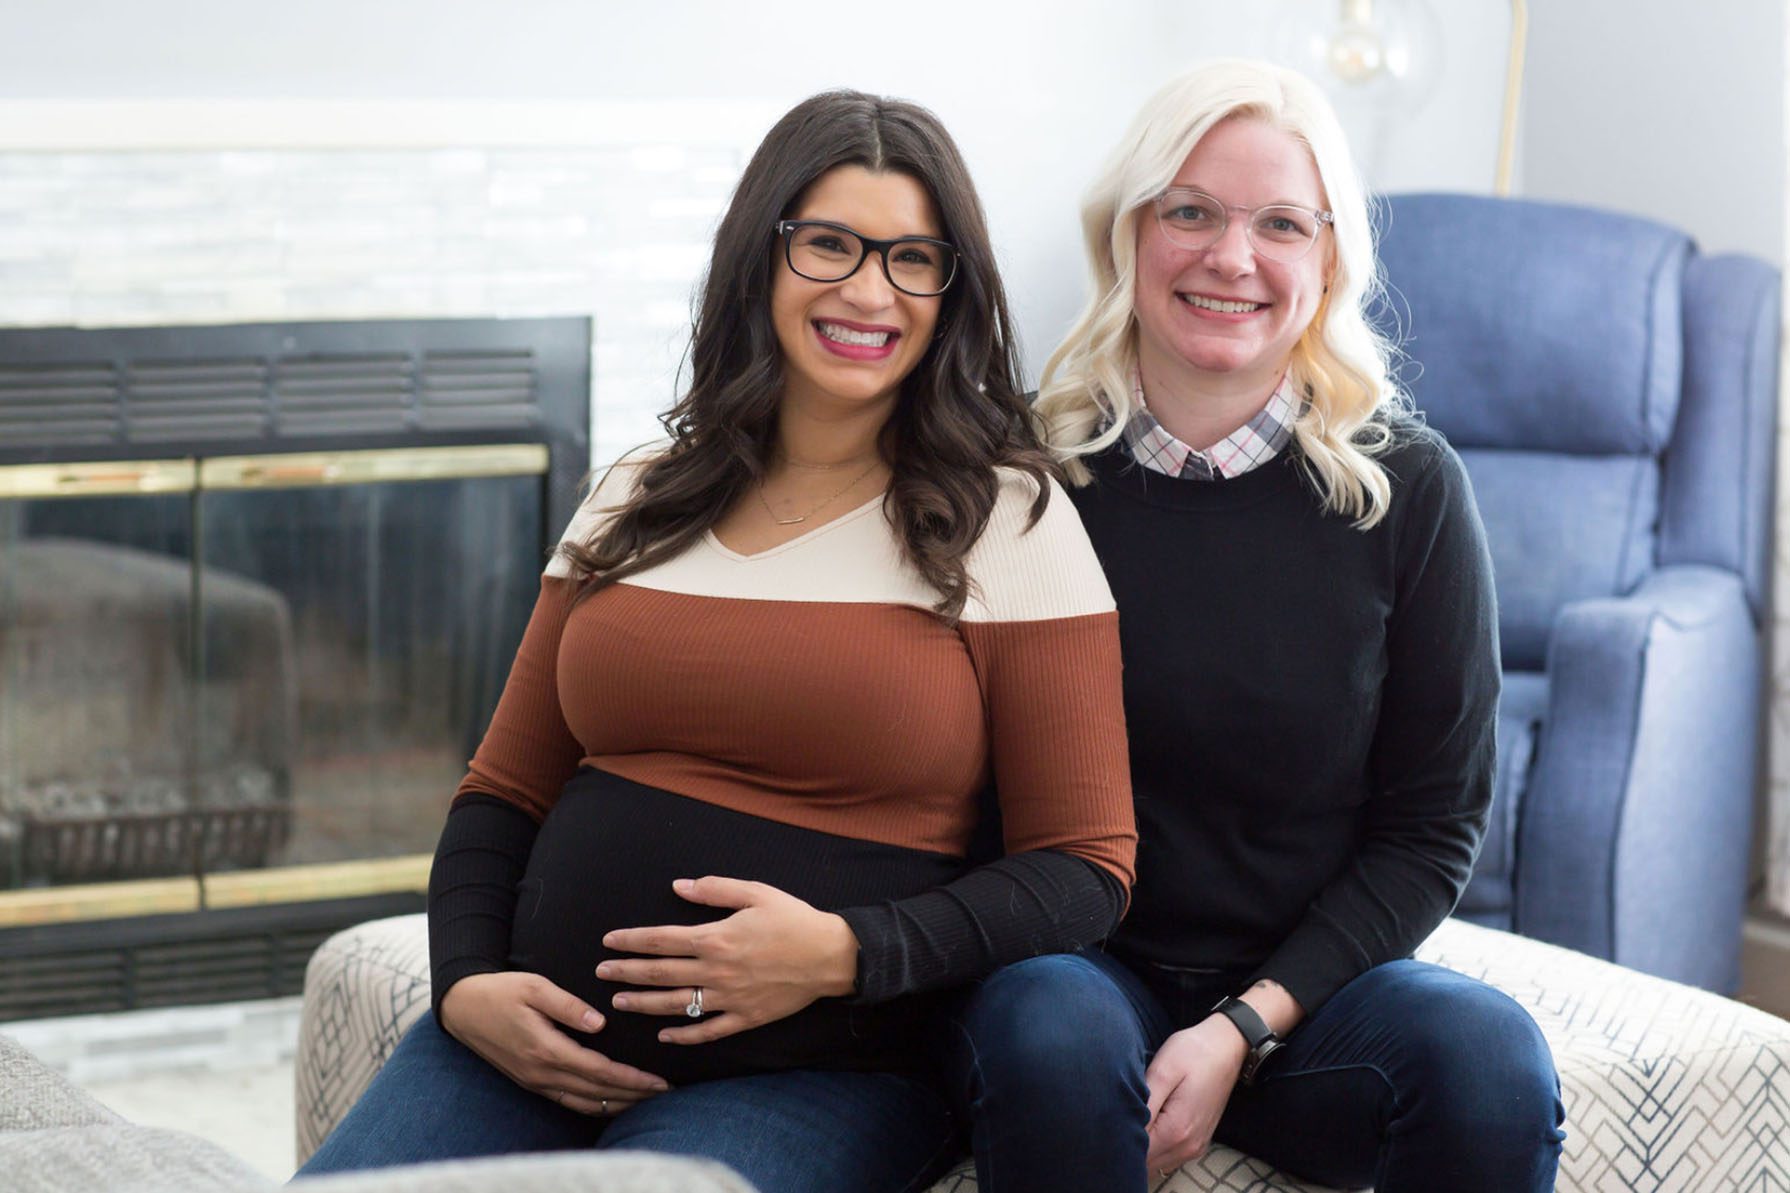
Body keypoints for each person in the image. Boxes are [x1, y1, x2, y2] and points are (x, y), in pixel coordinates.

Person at [294, 89, 1135, 1192]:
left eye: (912, 258)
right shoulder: (635, 492)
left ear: (949, 288)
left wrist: (849, 950)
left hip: (816, 1067)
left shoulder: (1005, 514)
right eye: (829, 243)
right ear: (761, 258)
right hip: (524, 1046)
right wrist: (464, 984)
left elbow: (1084, 866)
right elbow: (501, 790)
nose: (868, 289)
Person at [940, 60, 1565, 1193]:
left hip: (1309, 997)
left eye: (1280, 223)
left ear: (1325, 260)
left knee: (1488, 1058)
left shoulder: (1409, 489)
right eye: (1189, 212)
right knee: (1049, 1033)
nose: (1231, 257)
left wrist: (1240, 1024)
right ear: (1128, 235)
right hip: (1080, 967)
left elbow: (1431, 830)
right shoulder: (1024, 480)